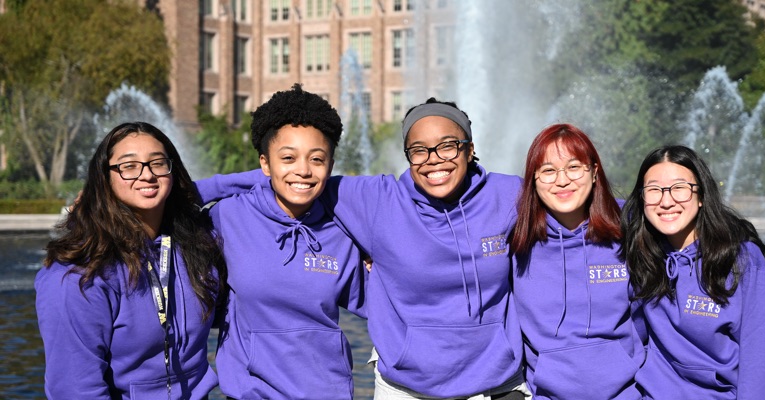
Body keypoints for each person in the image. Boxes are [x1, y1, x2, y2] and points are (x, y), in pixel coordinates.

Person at [197, 97, 529, 399]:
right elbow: (180, 200)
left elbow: (562, 200)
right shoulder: (232, 216)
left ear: (469, 150)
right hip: (393, 387)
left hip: (493, 380)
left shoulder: (508, 194)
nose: (434, 159)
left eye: (448, 146)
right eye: (419, 150)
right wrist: (233, 181)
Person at [198, 84, 366, 399]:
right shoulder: (230, 216)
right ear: (264, 163)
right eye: (287, 158)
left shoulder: (343, 229)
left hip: (329, 392)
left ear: (330, 165)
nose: (302, 170)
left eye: (317, 159)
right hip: (251, 392)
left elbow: (387, 299)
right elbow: (173, 204)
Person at [35, 122, 225, 399]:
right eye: (129, 166)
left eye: (158, 163)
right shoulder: (78, 274)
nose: (147, 175)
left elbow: (278, 182)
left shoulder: (194, 248)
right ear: (104, 178)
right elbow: (75, 389)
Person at [620, 145, 765, 399]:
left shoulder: (743, 260)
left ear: (701, 195)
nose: (666, 200)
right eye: (653, 190)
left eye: (680, 188)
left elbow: (760, 362)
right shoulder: (643, 254)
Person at [509, 124, 644, 399]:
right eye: (548, 171)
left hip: (628, 393)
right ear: (533, 179)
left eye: (574, 167)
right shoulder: (515, 240)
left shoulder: (630, 228)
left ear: (594, 173)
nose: (562, 181)